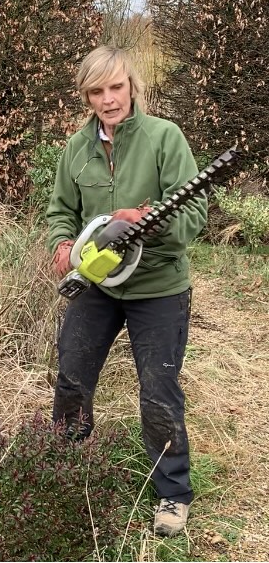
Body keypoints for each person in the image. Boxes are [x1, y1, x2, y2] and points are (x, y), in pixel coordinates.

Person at [46, 46, 208, 537]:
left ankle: (173, 495)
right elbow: (60, 210)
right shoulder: (77, 149)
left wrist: (147, 223)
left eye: (116, 87)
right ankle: (67, 474)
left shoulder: (165, 138)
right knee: (72, 376)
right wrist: (62, 241)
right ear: (87, 96)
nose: (108, 99)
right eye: (97, 91)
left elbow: (194, 215)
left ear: (132, 86)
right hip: (97, 284)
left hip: (157, 286)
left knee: (158, 390)